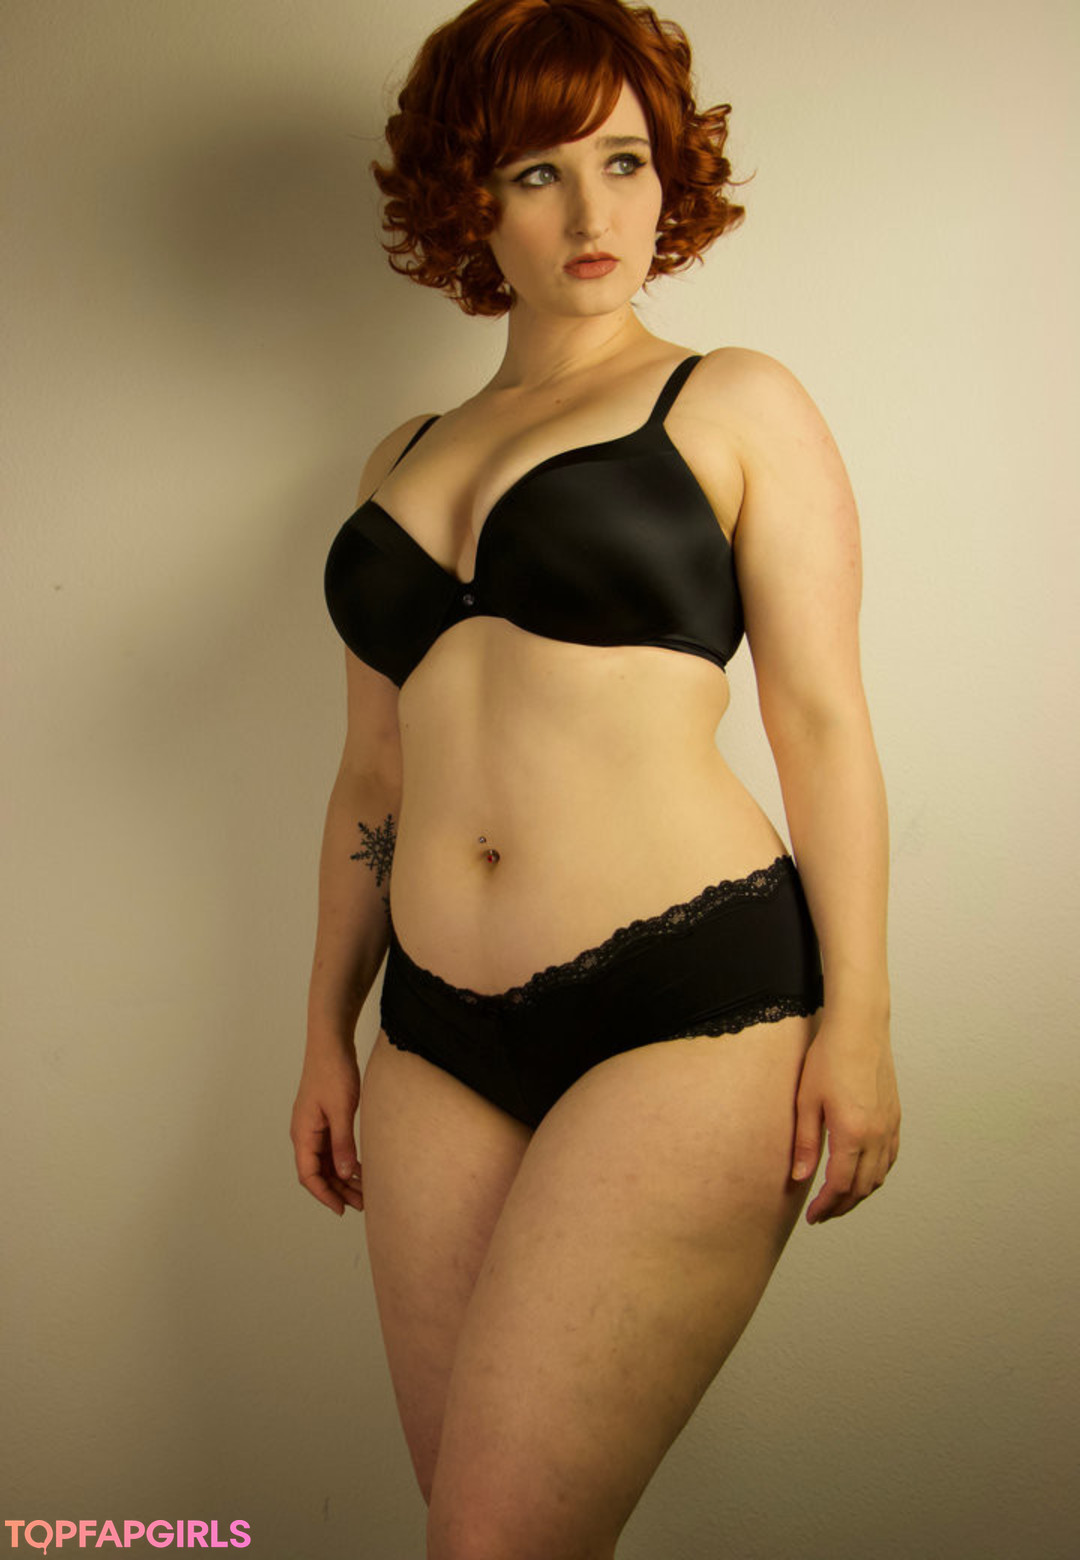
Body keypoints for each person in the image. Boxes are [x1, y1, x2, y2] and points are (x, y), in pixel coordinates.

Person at [290, 1, 900, 1554]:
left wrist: (864, 1020)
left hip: (690, 1007)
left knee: (494, 1539)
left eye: (625, 160)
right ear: (471, 195)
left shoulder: (734, 401)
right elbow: (373, 777)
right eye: (539, 172)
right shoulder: (397, 455)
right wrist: (322, 1032)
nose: (592, 212)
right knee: (474, 1532)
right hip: (432, 1038)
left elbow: (822, 722)